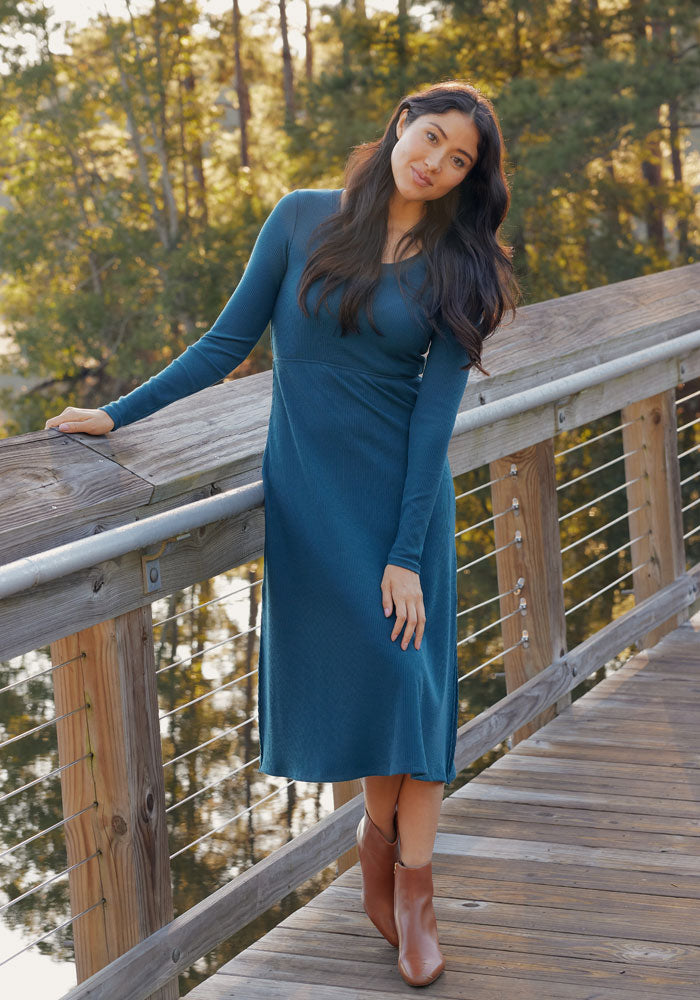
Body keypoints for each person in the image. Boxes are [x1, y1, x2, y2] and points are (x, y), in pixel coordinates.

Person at [45, 79, 519, 987]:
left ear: (469, 178)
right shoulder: (301, 218)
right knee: (381, 688)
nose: (436, 162)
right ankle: (375, 851)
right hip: (311, 500)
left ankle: (410, 891)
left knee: (411, 692)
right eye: (431, 138)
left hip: (400, 505)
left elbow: (433, 421)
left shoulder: (462, 265)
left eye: (459, 159)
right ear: (398, 126)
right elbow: (227, 345)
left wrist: (407, 555)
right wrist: (116, 412)